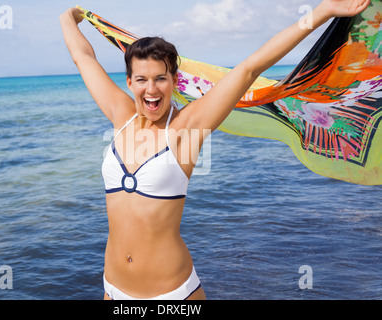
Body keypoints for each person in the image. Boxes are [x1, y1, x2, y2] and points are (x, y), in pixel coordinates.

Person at [60, 0, 370, 300]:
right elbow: (82, 57)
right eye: (141, 79)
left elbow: (249, 69)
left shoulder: (188, 127)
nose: (151, 89)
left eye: (160, 79)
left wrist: (323, 11)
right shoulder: (120, 116)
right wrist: (70, 15)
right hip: (113, 289)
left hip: (172, 295)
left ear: (173, 81)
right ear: (129, 82)